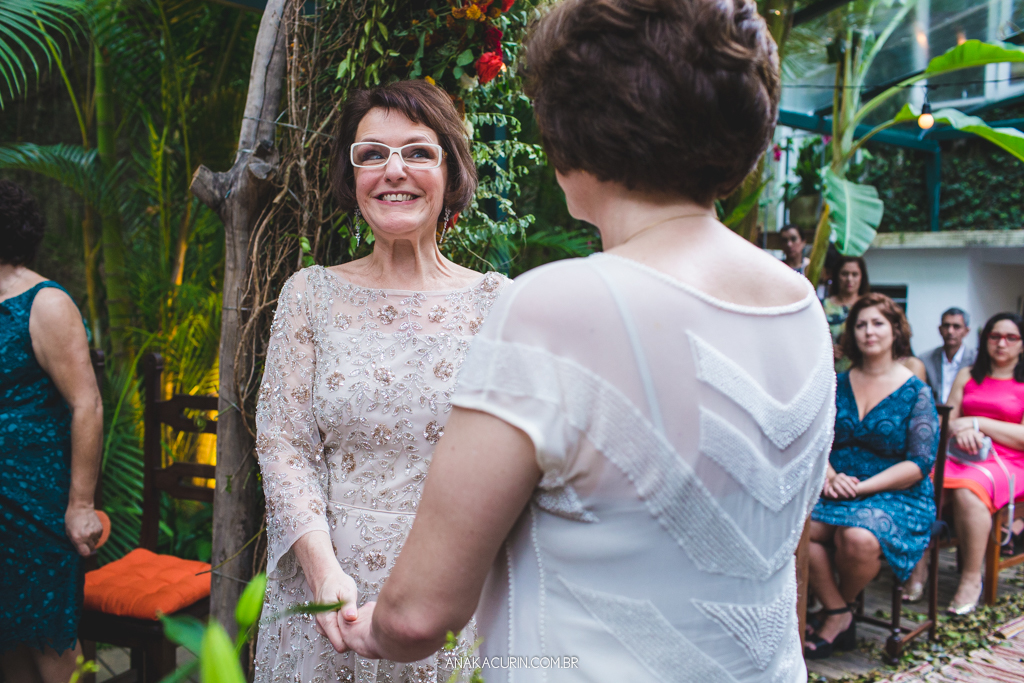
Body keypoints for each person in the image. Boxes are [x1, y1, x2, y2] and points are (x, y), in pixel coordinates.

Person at [334, 1, 835, 681]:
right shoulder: (800, 305)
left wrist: (377, 629)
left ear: (573, 128)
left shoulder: (554, 306)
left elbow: (422, 613)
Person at [252, 80, 510, 683]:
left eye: (418, 152)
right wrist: (323, 575)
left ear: (452, 170)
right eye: (372, 154)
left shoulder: (499, 303)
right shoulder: (309, 295)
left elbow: (511, 464)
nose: (394, 171)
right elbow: (283, 444)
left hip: (453, 598)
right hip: (325, 597)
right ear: (352, 178)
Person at [0, 180, 103, 682]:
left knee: (51, 642)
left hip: (35, 504)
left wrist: (80, 505)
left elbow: (87, 403)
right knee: (7, 644)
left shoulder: (44, 303)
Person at [804, 294, 938, 659]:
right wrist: (831, 476)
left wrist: (861, 486)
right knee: (799, 531)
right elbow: (818, 438)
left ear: (896, 330)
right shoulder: (836, 383)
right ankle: (840, 612)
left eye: (877, 323)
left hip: (896, 494)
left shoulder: (916, 392)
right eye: (860, 324)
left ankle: (836, 613)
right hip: (835, 485)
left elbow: (919, 464)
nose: (868, 331)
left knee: (858, 538)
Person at [941, 313, 1024, 614]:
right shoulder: (967, 375)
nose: (1001, 343)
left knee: (969, 488)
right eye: (994, 336)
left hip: (1010, 463)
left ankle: (971, 577)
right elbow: (946, 419)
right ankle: (919, 566)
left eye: (1011, 337)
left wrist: (976, 423)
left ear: (1022, 344)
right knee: (925, 481)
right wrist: (960, 430)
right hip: (960, 454)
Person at [824, 256, 870, 373]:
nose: (849, 279)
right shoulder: (823, 306)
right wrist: (827, 351)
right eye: (844, 274)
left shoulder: (868, 306)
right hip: (830, 374)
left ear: (862, 277)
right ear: (836, 276)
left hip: (862, 372)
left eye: (855, 274)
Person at [922, 307, 977, 405]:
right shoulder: (925, 360)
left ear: (966, 331)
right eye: (946, 326)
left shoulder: (976, 360)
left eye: (956, 326)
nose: (950, 331)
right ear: (940, 329)